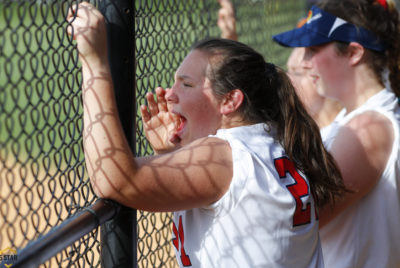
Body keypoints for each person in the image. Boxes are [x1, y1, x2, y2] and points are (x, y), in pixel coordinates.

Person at [67, 2, 346, 267]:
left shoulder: (226, 155)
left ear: (230, 101)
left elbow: (117, 179)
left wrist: (95, 62)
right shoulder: (275, 141)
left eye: (187, 84)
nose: (170, 93)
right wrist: (172, 155)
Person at [273, 0, 400, 267]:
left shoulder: (369, 128)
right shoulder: (352, 118)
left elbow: (297, 218)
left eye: (314, 49)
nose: (305, 62)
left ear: (354, 52)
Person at [218, 0, 341, 128]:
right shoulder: (301, 128)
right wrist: (231, 49)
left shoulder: (338, 140)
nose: (287, 80)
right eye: (289, 71)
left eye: (298, 74)